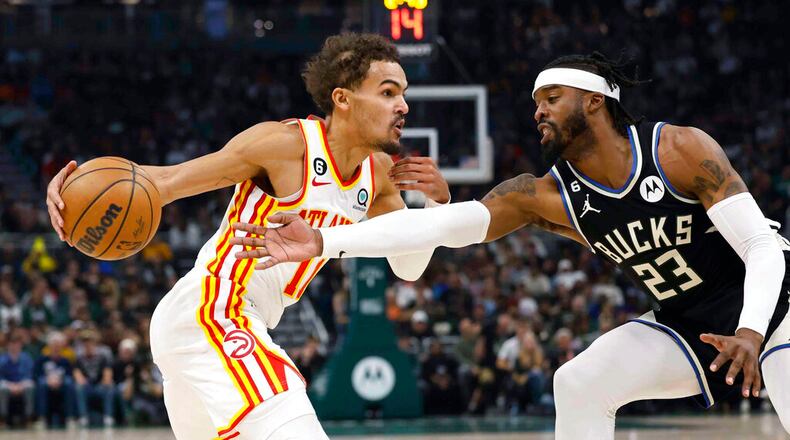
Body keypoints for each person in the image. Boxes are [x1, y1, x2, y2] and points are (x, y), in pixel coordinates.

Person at [232, 52, 790, 438]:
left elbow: (764, 247)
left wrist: (752, 332)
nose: (538, 111)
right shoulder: (543, 195)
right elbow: (433, 229)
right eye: (535, 102)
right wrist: (327, 239)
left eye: (551, 97)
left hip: (777, 308)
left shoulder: (678, 149)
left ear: (595, 102)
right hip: (690, 320)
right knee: (580, 383)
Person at [45, 33, 450, 440]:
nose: (403, 106)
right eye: (387, 92)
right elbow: (165, 181)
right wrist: (70, 190)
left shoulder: (378, 173)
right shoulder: (283, 145)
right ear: (343, 99)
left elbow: (409, 266)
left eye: (403, 93)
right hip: (214, 310)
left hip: (226, 322)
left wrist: (437, 206)